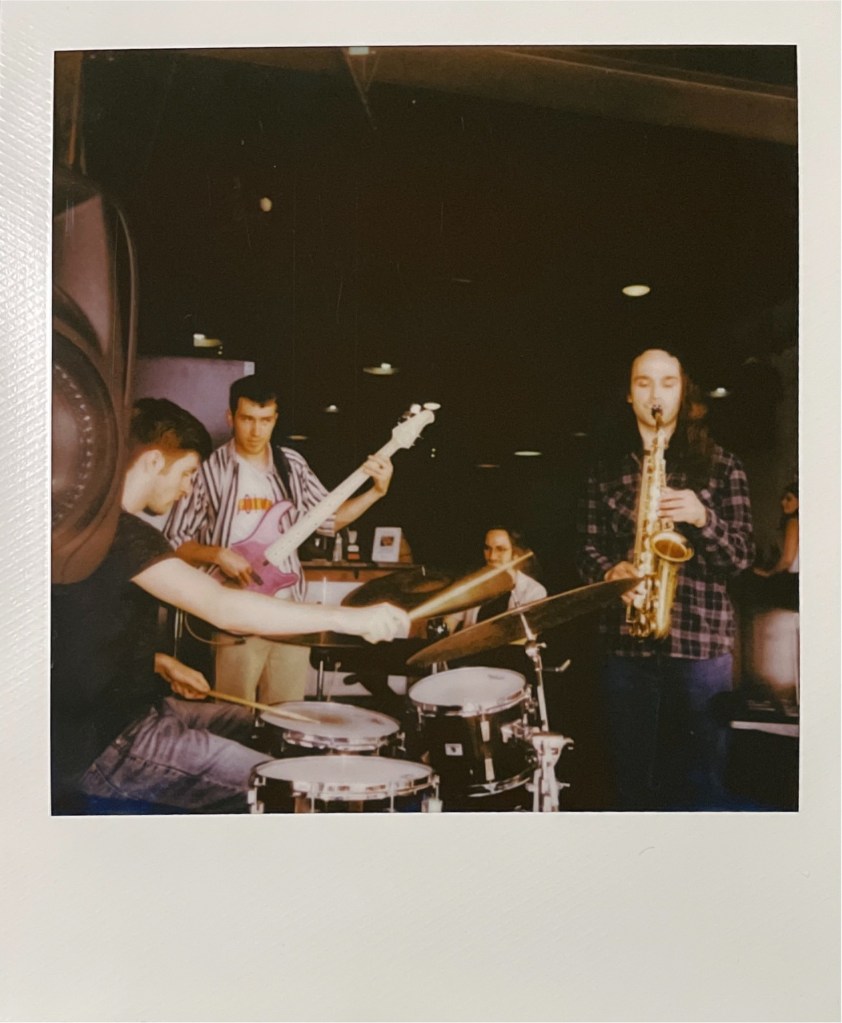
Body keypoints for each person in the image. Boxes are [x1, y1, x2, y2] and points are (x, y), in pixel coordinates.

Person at [51, 398, 409, 813]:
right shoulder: (123, 536)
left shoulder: (94, 527)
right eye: (186, 473)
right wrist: (349, 618)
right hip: (108, 743)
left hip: (139, 712)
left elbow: (82, 629)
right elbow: (221, 605)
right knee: (288, 785)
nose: (188, 488)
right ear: (153, 462)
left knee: (271, 725)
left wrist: (160, 662)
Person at [576, 347, 754, 810]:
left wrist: (702, 517)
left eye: (668, 383)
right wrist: (611, 572)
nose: (655, 393)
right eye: (644, 382)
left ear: (683, 392)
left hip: (702, 653)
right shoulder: (604, 468)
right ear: (629, 394)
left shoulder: (724, 465)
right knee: (629, 790)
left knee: (702, 792)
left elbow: (740, 559)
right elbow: (585, 549)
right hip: (626, 649)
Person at [164, 374, 395, 705]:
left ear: (275, 419)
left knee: (287, 713)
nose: (256, 431)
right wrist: (217, 555)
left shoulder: (292, 465)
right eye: (247, 419)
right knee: (234, 715)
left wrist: (376, 492)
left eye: (266, 420)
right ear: (230, 417)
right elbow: (175, 540)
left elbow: (328, 520)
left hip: (290, 615)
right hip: (235, 616)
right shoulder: (208, 469)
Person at [752, 481, 798, 610]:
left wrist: (770, 573)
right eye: (783, 498)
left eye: (788, 499)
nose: (783, 502)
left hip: (792, 581)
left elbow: (787, 560)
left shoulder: (793, 522)